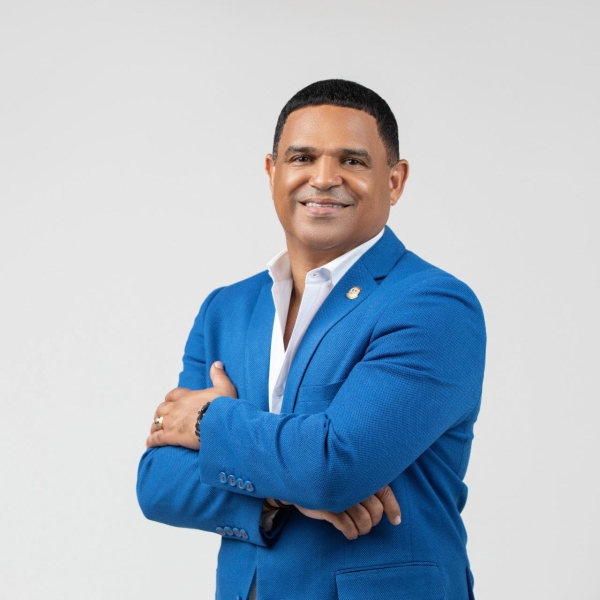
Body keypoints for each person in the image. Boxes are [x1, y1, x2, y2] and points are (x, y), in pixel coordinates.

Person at [137, 79, 486, 600]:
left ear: (394, 181)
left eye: (352, 160)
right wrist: (281, 496)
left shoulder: (433, 306)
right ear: (272, 172)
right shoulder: (227, 309)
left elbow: (334, 467)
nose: (323, 179)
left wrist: (207, 420)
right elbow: (159, 482)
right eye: (302, 157)